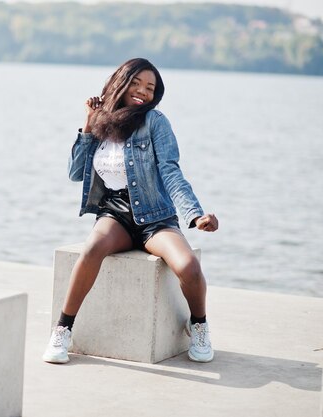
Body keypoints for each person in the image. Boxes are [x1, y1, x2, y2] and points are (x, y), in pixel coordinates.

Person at [42, 58, 219, 364]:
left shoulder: (156, 122)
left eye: (150, 87)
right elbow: (75, 172)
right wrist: (88, 122)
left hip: (155, 217)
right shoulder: (101, 121)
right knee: (92, 249)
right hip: (115, 214)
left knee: (188, 266)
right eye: (136, 83)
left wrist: (195, 214)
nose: (142, 92)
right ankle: (62, 330)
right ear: (121, 82)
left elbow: (171, 172)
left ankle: (199, 324)